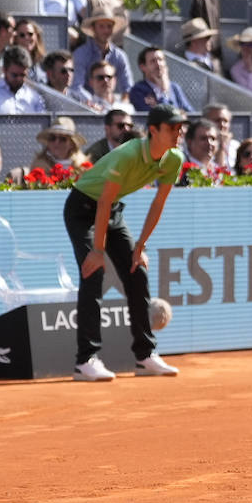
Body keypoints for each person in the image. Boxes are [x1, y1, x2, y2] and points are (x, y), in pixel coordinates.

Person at [64, 103, 186, 381]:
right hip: (83, 209)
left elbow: (159, 202)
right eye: (172, 128)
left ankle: (145, 357)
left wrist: (139, 247)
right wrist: (97, 251)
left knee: (136, 272)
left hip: (112, 210)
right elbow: (102, 201)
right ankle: (86, 361)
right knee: (94, 273)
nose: (178, 133)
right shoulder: (127, 154)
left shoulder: (174, 158)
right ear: (153, 131)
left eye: (180, 127)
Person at [72, 4, 134, 95]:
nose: (106, 31)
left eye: (109, 26)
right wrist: (93, 103)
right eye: (101, 26)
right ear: (93, 29)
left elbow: (128, 87)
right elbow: (76, 87)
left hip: (113, 105)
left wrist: (122, 104)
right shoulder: (80, 54)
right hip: (84, 107)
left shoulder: (120, 56)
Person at [0, 46, 46, 113]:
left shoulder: (33, 97)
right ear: (4, 70)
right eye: (14, 75)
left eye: (23, 75)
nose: (19, 79)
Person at [129, 47, 194, 112]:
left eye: (160, 60)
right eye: (153, 61)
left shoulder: (174, 87)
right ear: (143, 67)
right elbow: (158, 116)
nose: (158, 64)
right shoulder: (138, 90)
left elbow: (190, 113)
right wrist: (163, 91)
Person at [201, 102, 239, 167]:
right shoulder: (200, 145)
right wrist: (221, 147)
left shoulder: (236, 146)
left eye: (225, 121)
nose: (222, 124)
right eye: (217, 120)